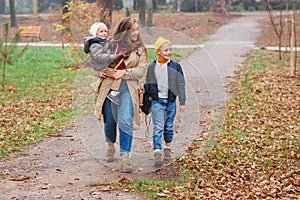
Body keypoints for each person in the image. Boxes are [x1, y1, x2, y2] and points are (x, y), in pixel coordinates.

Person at [94, 18, 148, 173]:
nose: (136, 33)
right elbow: (97, 63)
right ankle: (110, 145)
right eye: (132, 30)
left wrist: (125, 72)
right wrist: (102, 72)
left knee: (125, 120)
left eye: (137, 29)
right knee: (110, 121)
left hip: (128, 88)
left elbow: (142, 69)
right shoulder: (109, 45)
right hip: (109, 87)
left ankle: (125, 157)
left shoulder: (140, 49)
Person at [144, 37, 186, 168]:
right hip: (157, 102)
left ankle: (167, 148)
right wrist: (145, 99)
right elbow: (148, 83)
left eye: (170, 50)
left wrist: (182, 101)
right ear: (158, 51)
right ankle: (157, 152)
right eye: (166, 50)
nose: (168, 52)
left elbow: (181, 83)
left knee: (168, 126)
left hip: (171, 102)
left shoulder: (175, 66)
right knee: (158, 127)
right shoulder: (152, 67)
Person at [84, 22, 124, 105]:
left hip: (105, 66)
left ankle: (113, 92)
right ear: (95, 33)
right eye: (101, 31)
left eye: (105, 31)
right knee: (118, 75)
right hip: (102, 67)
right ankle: (113, 94)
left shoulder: (104, 42)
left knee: (118, 75)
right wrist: (111, 57)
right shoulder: (95, 44)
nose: (104, 33)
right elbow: (98, 56)